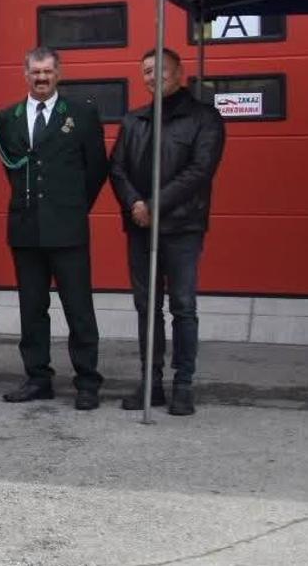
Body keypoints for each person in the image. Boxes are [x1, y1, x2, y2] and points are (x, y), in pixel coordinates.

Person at [0, 46, 109, 410]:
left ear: (58, 74)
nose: (41, 78)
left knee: (78, 308)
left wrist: (72, 206)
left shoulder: (81, 114)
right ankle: (37, 377)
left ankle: (87, 381)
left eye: (47, 72)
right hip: (26, 227)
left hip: (68, 228)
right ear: (25, 74)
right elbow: (14, 168)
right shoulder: (6, 118)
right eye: (35, 72)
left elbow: (96, 169)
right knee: (32, 307)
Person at [109, 48, 224, 416]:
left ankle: (184, 383)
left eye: (160, 69)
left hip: (182, 227)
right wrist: (135, 206)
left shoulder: (204, 119)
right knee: (147, 308)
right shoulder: (134, 121)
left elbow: (200, 170)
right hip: (141, 228)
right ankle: (151, 381)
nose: (152, 76)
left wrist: (155, 205)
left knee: (183, 307)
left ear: (179, 72)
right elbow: (118, 169)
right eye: (145, 71)